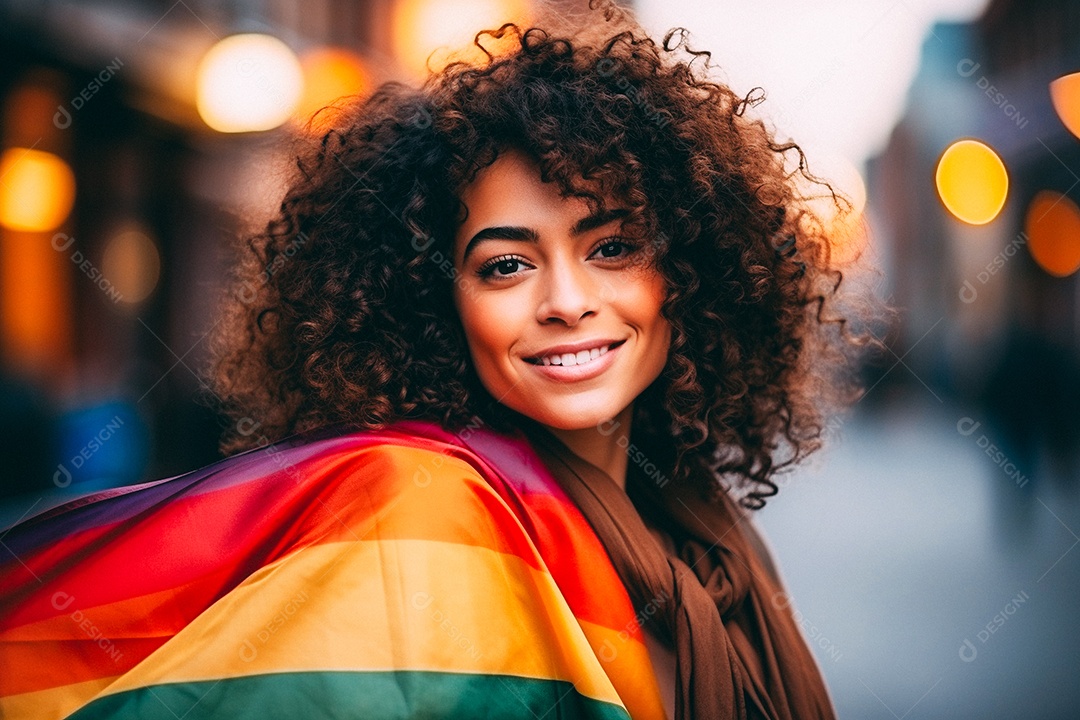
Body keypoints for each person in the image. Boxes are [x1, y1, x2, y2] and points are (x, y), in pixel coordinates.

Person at [0, 5, 870, 719]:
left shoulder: (697, 530)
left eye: (613, 247)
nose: (565, 299)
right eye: (506, 264)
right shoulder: (415, 507)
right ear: (434, 300)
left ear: (688, 272)